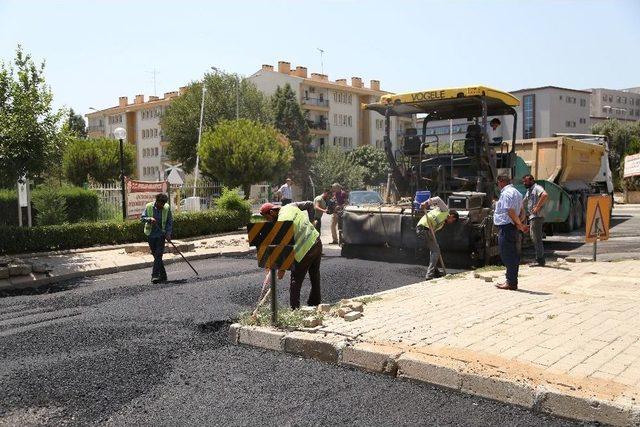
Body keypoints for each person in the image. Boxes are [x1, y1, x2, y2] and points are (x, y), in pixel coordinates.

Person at [259, 202, 322, 309]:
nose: (268, 221)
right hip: (316, 242)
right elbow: (310, 204)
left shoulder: (282, 221)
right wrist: (312, 221)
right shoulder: (291, 206)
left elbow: (284, 247)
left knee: (295, 280)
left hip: (304, 250)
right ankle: (315, 303)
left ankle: (294, 310)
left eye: (267, 217)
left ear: (271, 212)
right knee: (314, 275)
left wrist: (281, 270)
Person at [494, 175, 529, 290]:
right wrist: (520, 223)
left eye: (498, 183)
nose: (498, 185)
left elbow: (510, 211)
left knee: (507, 255)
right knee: (512, 254)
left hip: (506, 228)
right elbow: (522, 211)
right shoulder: (517, 193)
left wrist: (519, 225)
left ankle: (511, 282)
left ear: (501, 182)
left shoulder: (506, 193)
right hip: (512, 227)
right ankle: (511, 281)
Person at [416, 196, 459, 280]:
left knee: (434, 250)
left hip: (424, 231)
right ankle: (429, 275)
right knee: (436, 251)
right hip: (423, 228)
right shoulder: (445, 210)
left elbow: (433, 231)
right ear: (452, 216)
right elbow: (438, 199)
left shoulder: (442, 223)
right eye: (452, 221)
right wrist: (426, 203)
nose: (450, 223)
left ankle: (435, 271)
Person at [141, 193, 173, 284]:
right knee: (156, 256)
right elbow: (142, 218)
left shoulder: (166, 208)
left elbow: (169, 221)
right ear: (157, 201)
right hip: (150, 235)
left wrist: (168, 233)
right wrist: (149, 219)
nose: (162, 206)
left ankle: (155, 275)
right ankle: (163, 275)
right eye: (160, 204)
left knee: (159, 255)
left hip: (161, 236)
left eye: (163, 204)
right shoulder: (149, 207)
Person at [523, 174, 549, 267]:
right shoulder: (529, 190)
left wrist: (537, 207)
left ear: (532, 181)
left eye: (526, 181)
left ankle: (540, 260)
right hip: (532, 216)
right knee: (534, 237)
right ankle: (539, 259)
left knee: (536, 238)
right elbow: (524, 202)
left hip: (537, 216)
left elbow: (545, 195)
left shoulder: (537, 188)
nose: (524, 183)